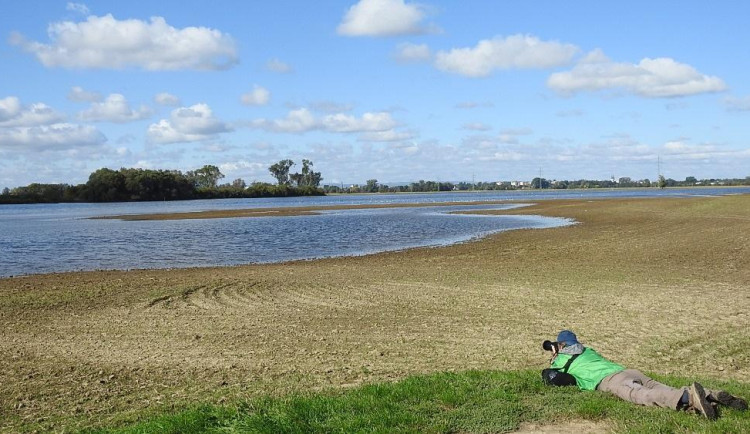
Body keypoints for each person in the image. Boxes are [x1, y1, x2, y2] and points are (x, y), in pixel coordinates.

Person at [545, 330, 747, 419]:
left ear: (561, 346)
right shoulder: (588, 350)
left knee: (641, 395)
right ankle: (712, 394)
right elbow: (573, 349)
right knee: (661, 388)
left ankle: (689, 398)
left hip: (610, 380)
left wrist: (554, 360)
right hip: (627, 370)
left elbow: (554, 379)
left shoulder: (563, 361)